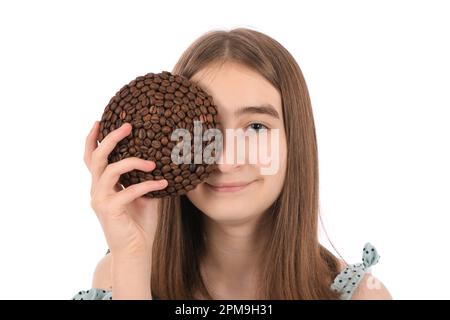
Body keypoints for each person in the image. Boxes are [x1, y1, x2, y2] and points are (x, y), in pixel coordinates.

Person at [73, 28, 392, 300]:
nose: (225, 160)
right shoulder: (119, 274)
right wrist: (132, 260)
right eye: (203, 130)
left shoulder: (362, 294)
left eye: (255, 127)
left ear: (294, 140)